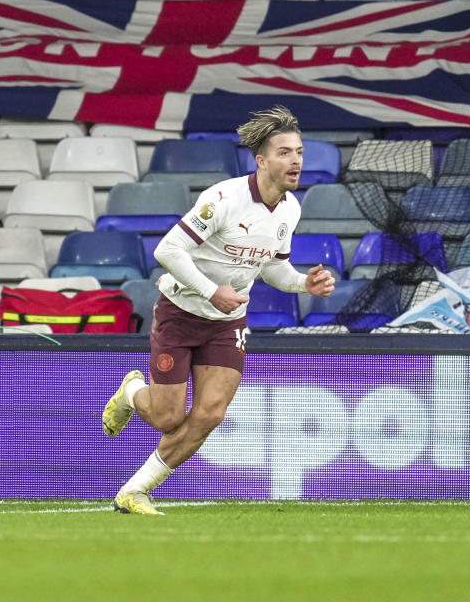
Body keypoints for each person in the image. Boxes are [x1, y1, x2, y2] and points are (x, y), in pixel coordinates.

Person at [101, 105, 335, 514]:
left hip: (227, 323)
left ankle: (134, 491)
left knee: (210, 414)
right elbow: (167, 249)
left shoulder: (291, 209)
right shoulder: (224, 198)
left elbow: (274, 266)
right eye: (284, 152)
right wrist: (211, 291)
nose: (296, 160)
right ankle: (133, 391)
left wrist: (304, 284)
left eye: (299, 152)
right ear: (261, 160)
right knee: (168, 418)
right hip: (181, 312)